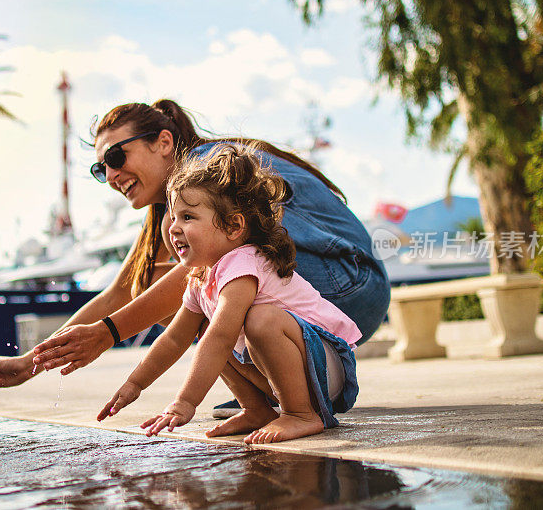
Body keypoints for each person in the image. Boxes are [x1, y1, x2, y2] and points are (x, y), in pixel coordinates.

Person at [0, 100, 390, 415]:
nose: (110, 175)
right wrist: (30, 362)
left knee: (190, 280)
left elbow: (175, 283)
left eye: (115, 156)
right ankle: (260, 400)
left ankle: (290, 405)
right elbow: (121, 291)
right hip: (328, 291)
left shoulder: (213, 171)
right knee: (173, 286)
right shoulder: (175, 206)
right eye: (100, 169)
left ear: (164, 142)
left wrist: (108, 334)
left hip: (350, 284)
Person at [98, 144, 361, 443]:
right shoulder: (202, 277)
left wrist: (186, 402)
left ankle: (300, 414)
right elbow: (173, 338)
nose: (174, 228)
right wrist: (135, 383)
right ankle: (257, 410)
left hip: (328, 368)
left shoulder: (244, 262)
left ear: (233, 225)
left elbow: (222, 338)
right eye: (174, 216)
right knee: (205, 325)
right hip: (301, 371)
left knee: (257, 322)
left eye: (188, 217)